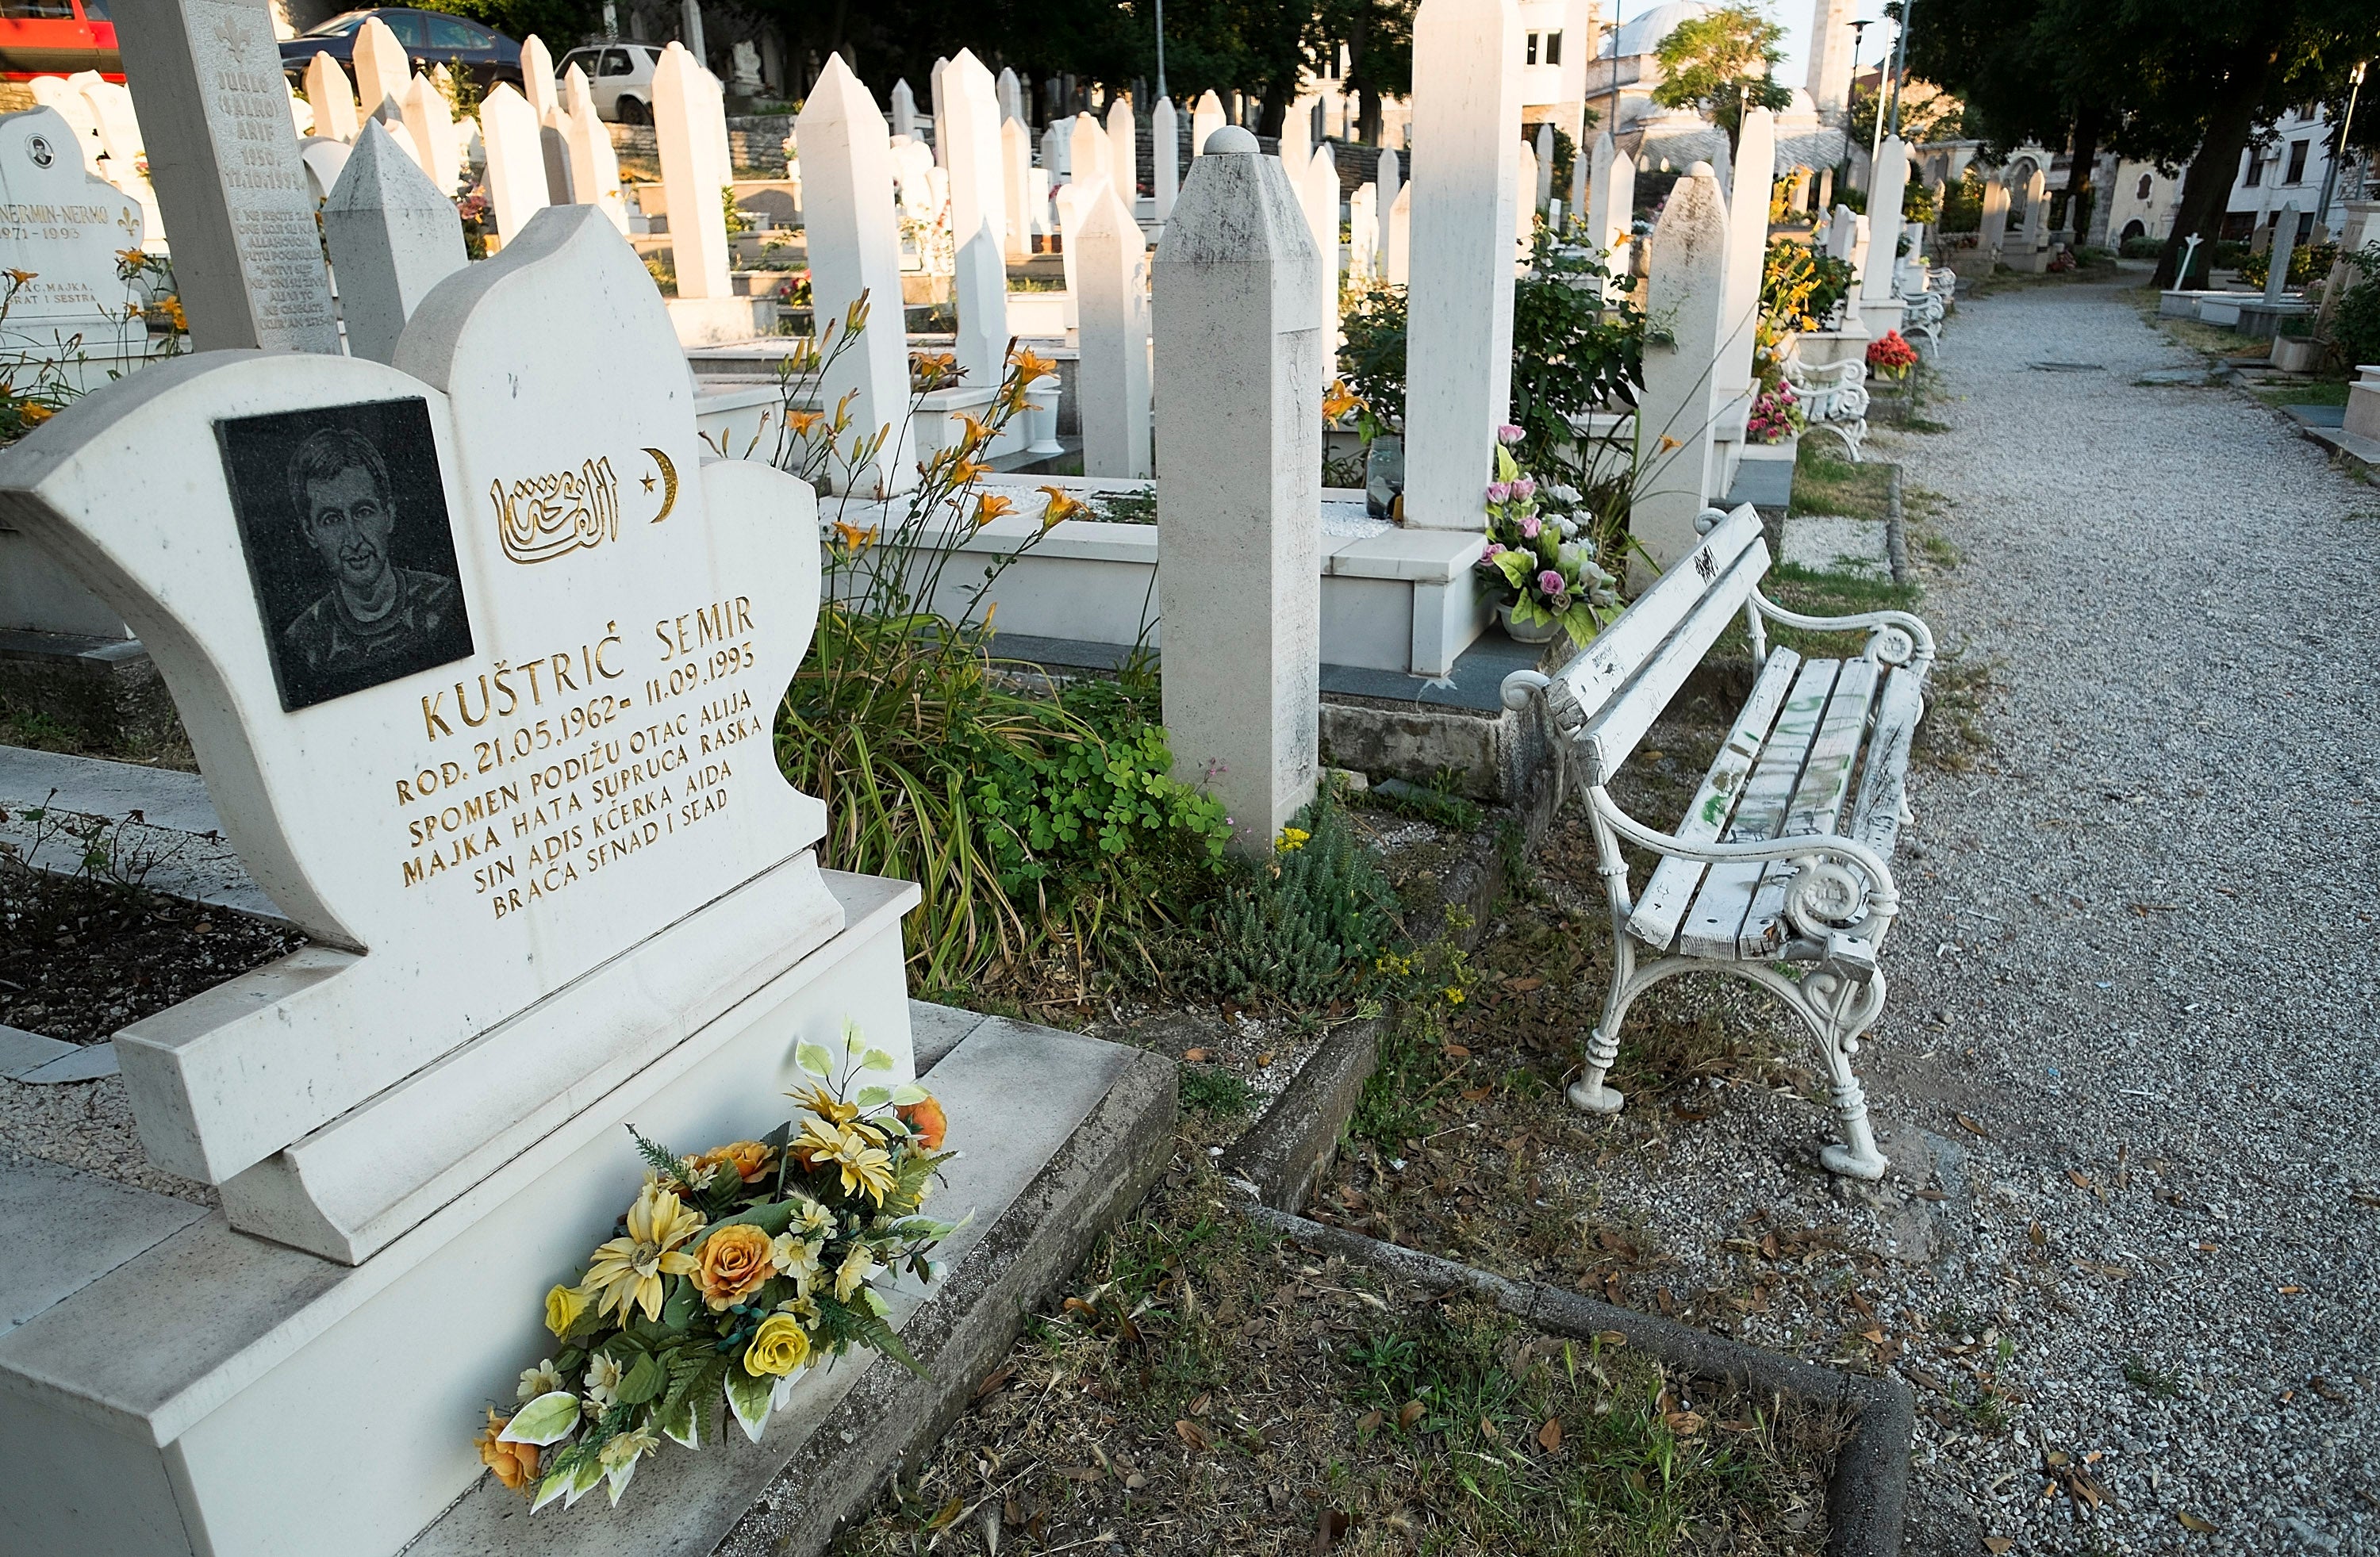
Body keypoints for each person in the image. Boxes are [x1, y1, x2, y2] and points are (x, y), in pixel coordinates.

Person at [278, 426, 468, 688]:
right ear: (310, 532)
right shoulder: (304, 643)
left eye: (363, 512)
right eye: (332, 519)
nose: (354, 540)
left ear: (388, 514)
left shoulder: (447, 603)